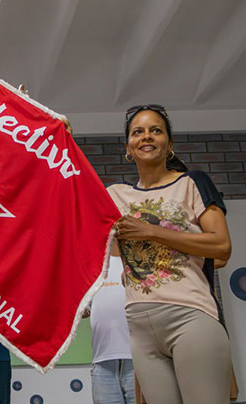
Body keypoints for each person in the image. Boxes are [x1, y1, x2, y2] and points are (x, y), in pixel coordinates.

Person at [107, 104, 232, 404]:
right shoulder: (114, 195)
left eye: (156, 130)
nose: (146, 136)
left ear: (169, 144)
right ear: (128, 148)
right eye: (138, 132)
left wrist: (151, 231)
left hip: (190, 316)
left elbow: (221, 246)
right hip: (140, 327)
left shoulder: (192, 183)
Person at [85, 257, 135, 404]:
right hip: (102, 360)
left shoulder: (139, 260)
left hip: (137, 359)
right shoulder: (92, 264)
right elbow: (83, 309)